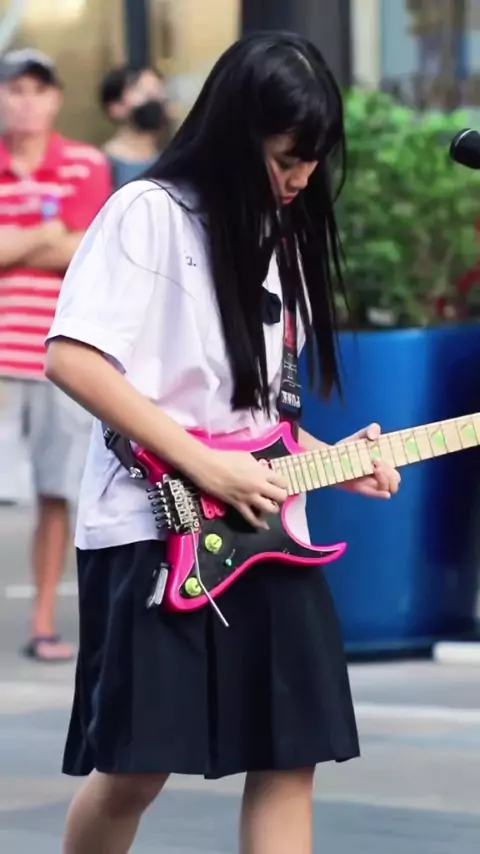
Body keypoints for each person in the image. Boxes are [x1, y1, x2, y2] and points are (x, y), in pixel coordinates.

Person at [46, 32, 401, 854]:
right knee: (134, 769)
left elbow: (257, 413)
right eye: (286, 158)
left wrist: (335, 460)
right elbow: (72, 358)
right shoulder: (147, 213)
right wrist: (206, 464)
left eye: (314, 160)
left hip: (267, 527)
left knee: (290, 756)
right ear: (238, 136)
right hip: (152, 522)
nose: (303, 177)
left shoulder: (286, 234)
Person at [0, 48, 112, 662]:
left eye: (37, 89)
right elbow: (62, 242)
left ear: (55, 98)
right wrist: (47, 232)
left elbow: (87, 250)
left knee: (54, 492)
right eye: (14, 88)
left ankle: (43, 623)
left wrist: (18, 242)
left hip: (55, 356)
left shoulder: (85, 164)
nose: (26, 101)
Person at [99, 64, 169, 189]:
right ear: (116, 107)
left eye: (158, 90)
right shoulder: (101, 165)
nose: (153, 98)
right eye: (141, 91)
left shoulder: (171, 162)